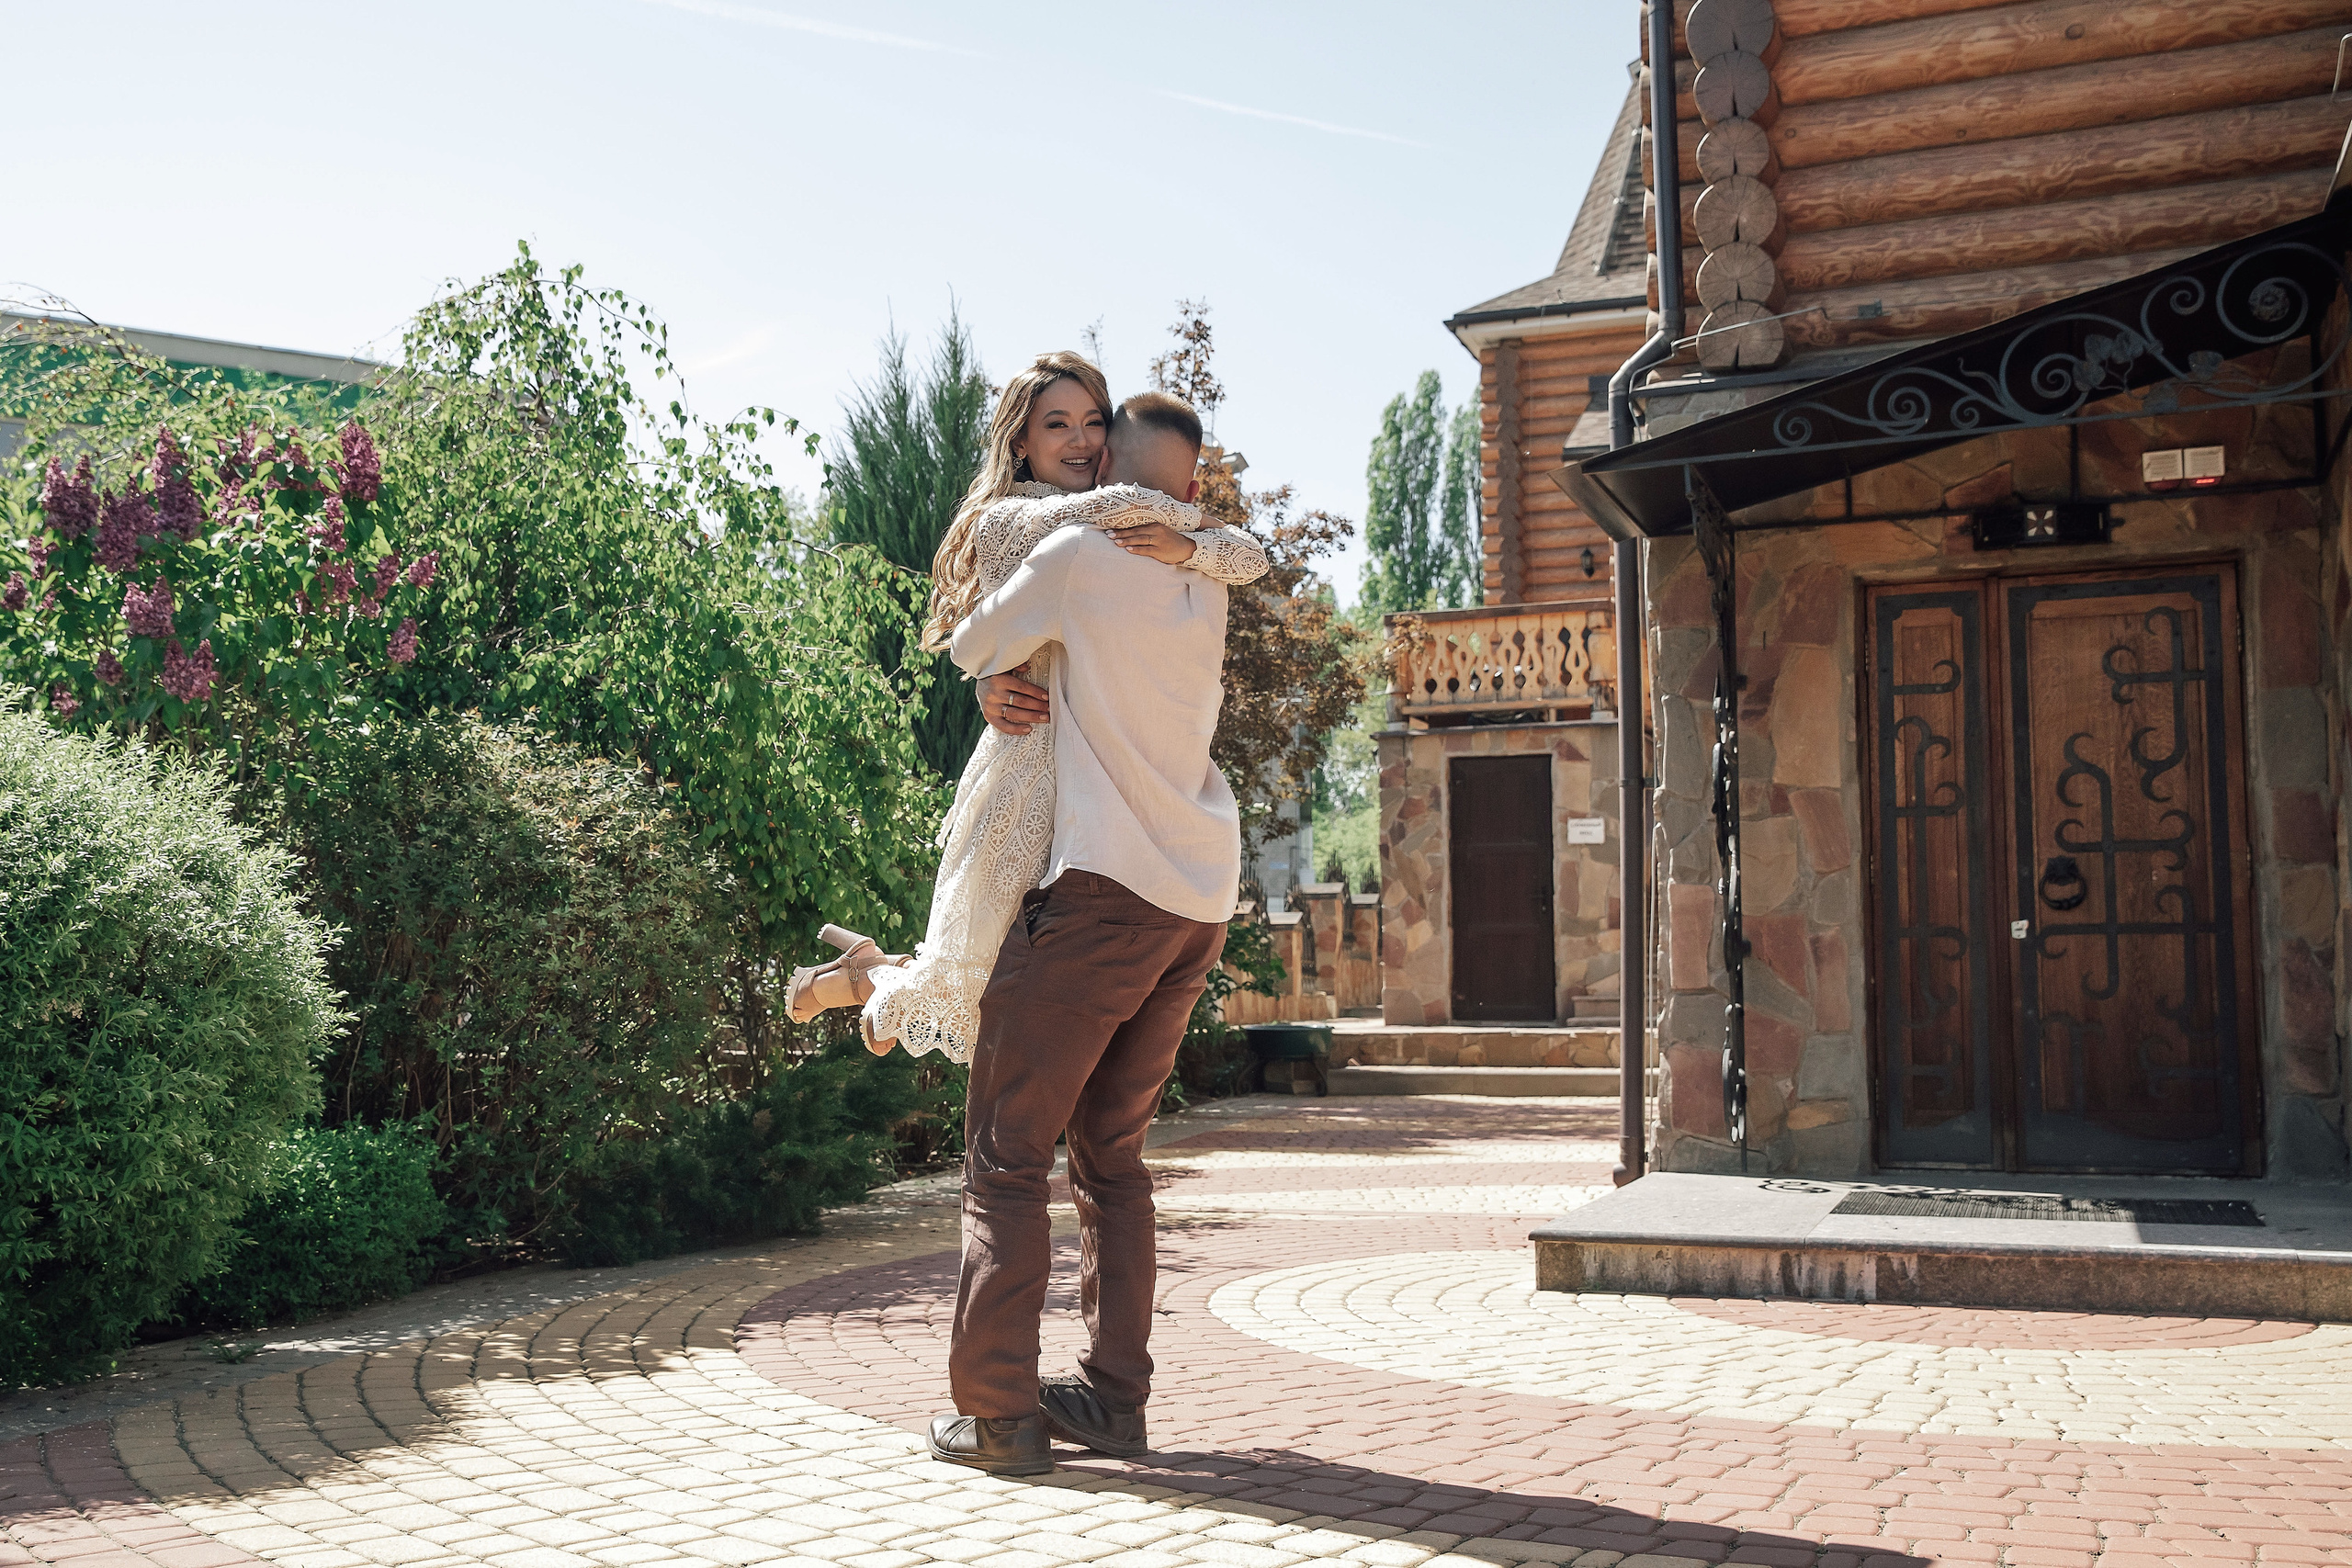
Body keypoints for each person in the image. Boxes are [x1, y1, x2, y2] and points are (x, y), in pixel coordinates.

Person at [923, 387, 1246, 1477]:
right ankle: (1113, 1398)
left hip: (1103, 892)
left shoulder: (1072, 555)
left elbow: (970, 642)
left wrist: (1000, 676)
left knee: (1006, 1156)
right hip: (1196, 896)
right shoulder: (1206, 578)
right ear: (1188, 488)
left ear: (1115, 476)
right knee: (1111, 1158)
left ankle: (999, 1414)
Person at [784, 355, 1265, 1044]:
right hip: (1031, 766)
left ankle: (866, 975)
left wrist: (1188, 543)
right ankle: (866, 979)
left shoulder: (1110, 522)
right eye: (1057, 424)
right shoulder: (1016, 520)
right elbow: (981, 639)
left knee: (1006, 984)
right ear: (1022, 442)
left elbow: (1247, 556)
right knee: (988, 985)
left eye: (1094, 423)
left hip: (1091, 776)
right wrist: (1174, 518)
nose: (1079, 440)